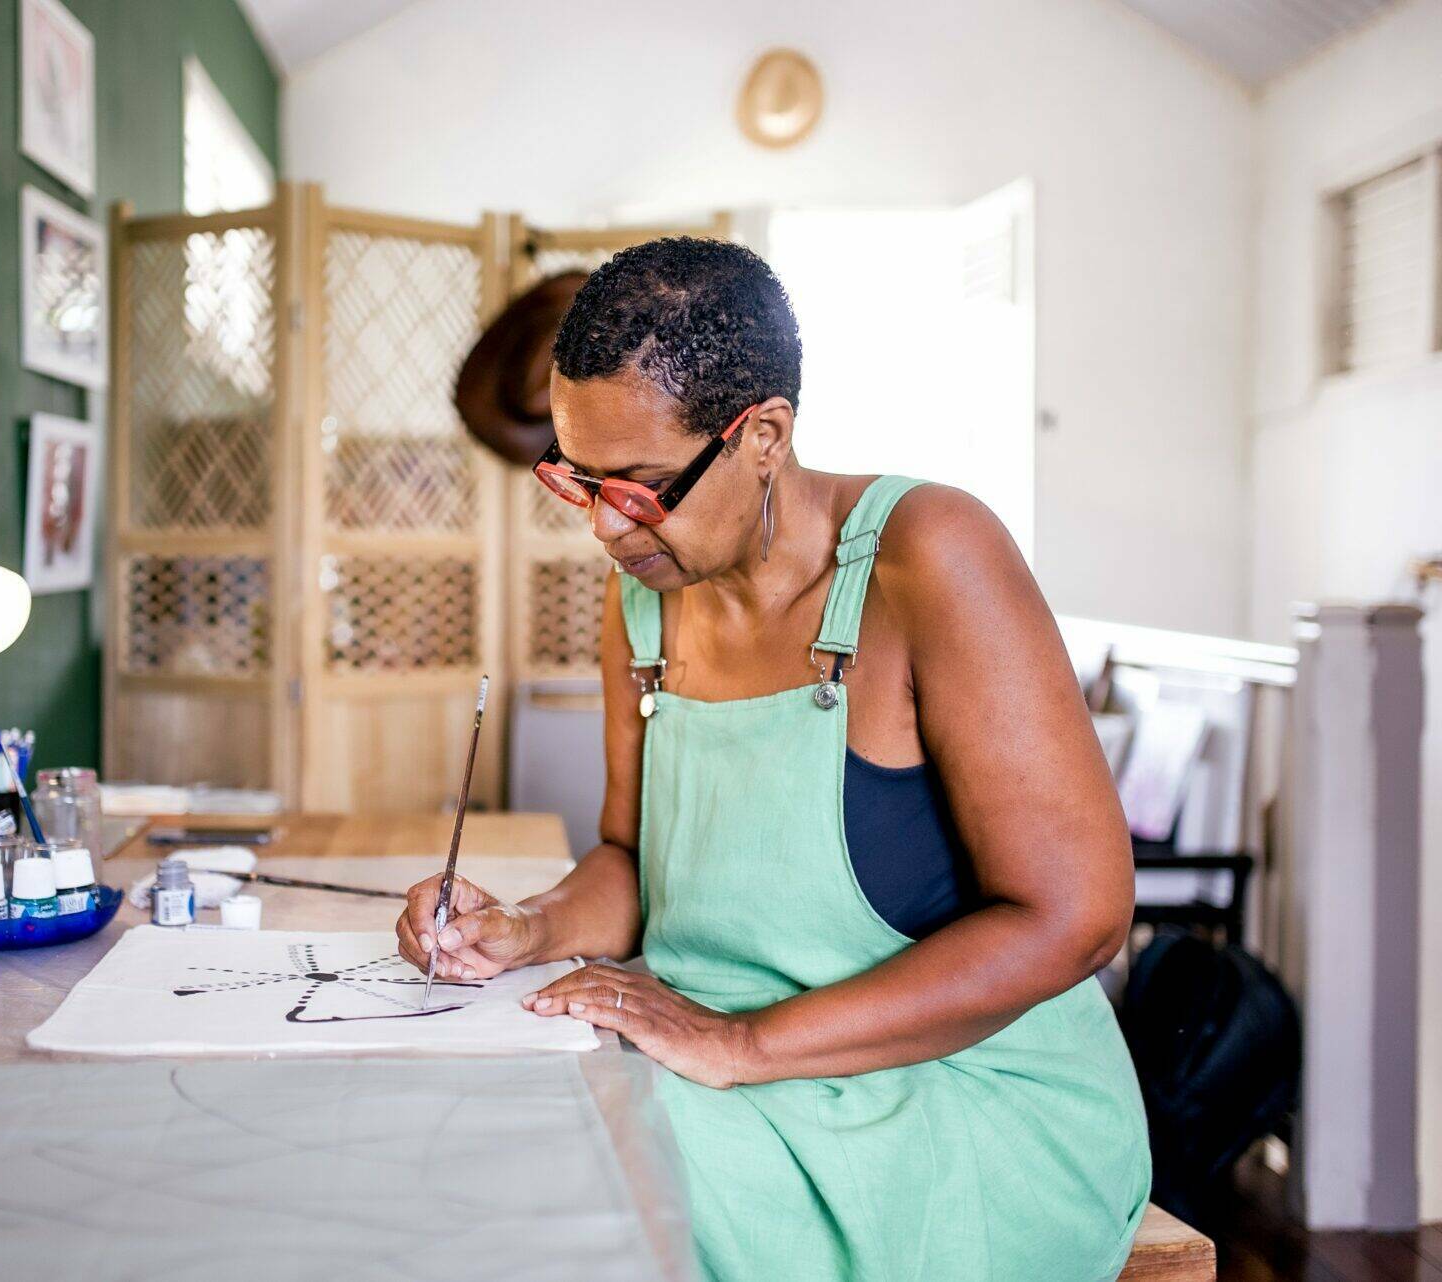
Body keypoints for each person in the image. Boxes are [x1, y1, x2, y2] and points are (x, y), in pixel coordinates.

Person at [397, 238, 1151, 1281]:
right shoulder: (644, 595)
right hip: (728, 1061)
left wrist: (743, 1045)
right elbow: (631, 862)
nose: (607, 527)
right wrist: (527, 928)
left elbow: (1077, 919)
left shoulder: (928, 555)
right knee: (468, 1136)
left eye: (642, 487)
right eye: (581, 483)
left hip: (955, 1099)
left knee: (571, 1189)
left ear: (763, 436)